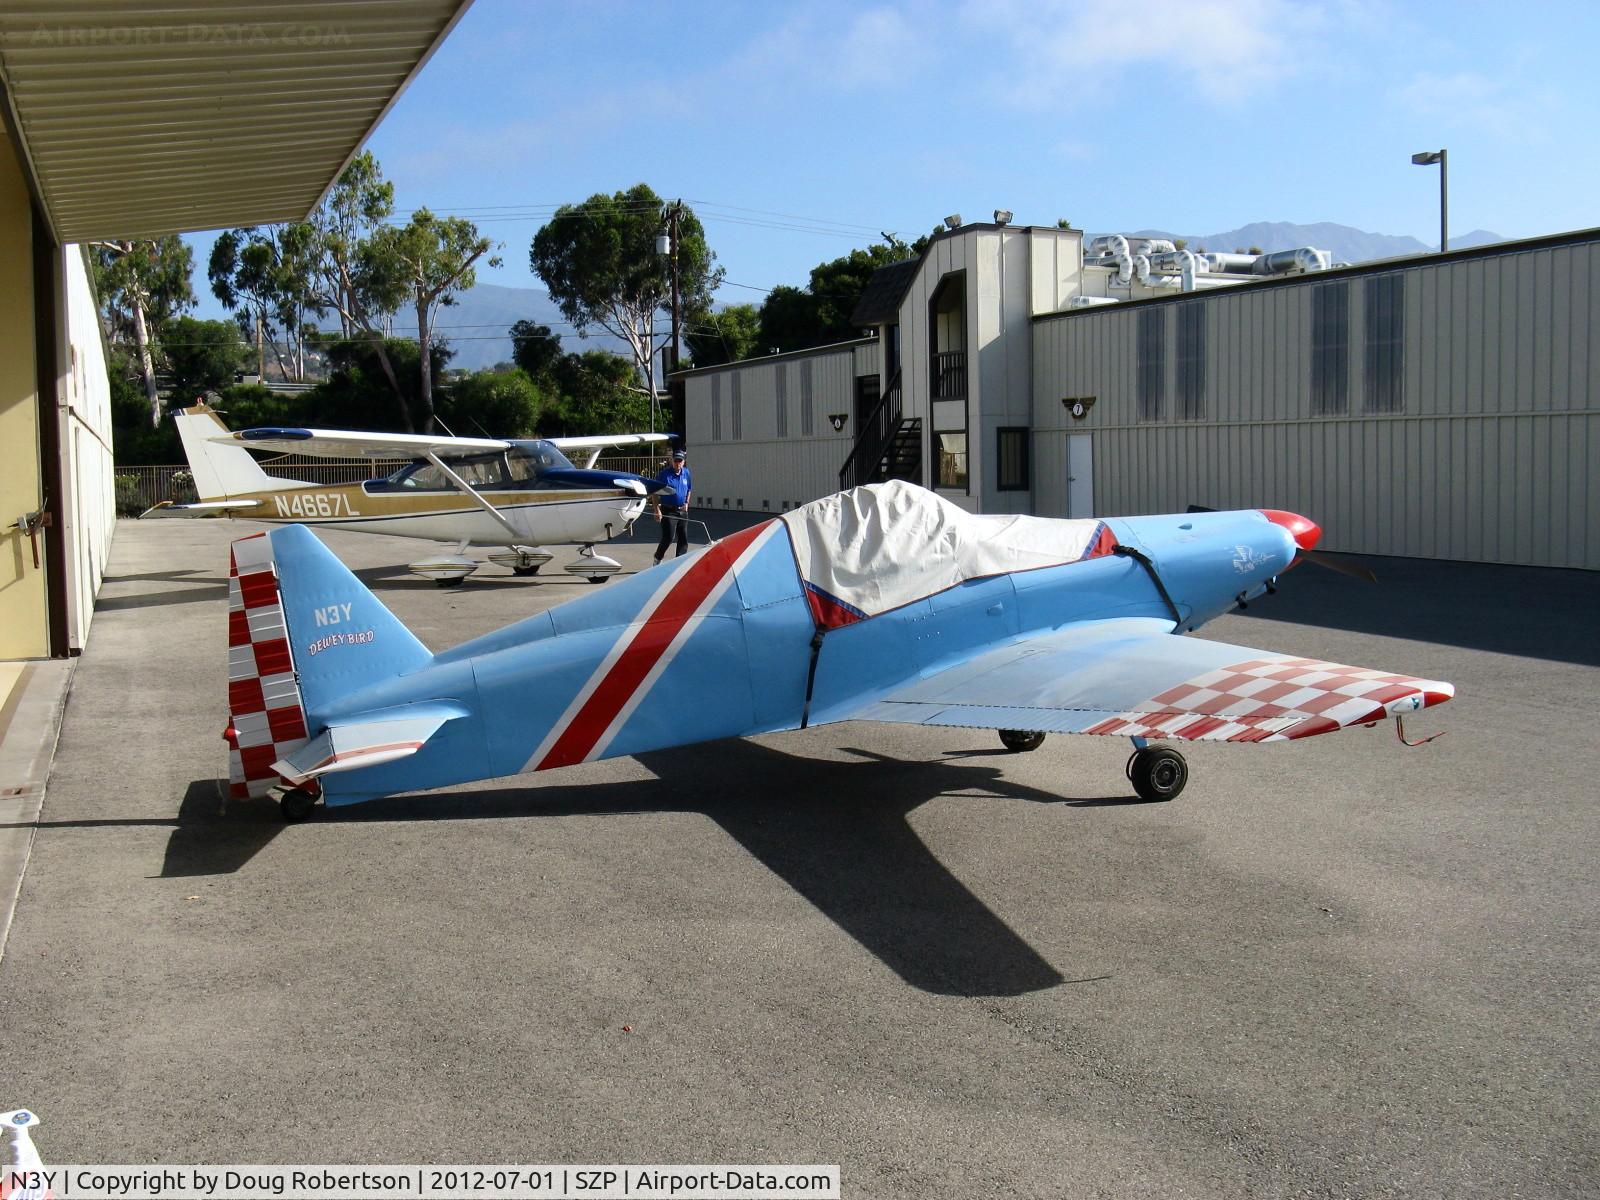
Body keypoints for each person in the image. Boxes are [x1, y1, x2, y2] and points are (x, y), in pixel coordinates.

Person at [652, 449, 693, 563]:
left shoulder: (686, 473)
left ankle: (678, 562)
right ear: (672, 461)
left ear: (683, 462)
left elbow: (689, 489)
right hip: (668, 510)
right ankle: (657, 558)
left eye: (680, 461)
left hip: (682, 510)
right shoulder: (664, 475)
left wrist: (686, 503)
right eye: (676, 460)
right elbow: (655, 492)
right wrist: (656, 509)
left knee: (683, 538)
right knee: (669, 537)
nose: (678, 463)